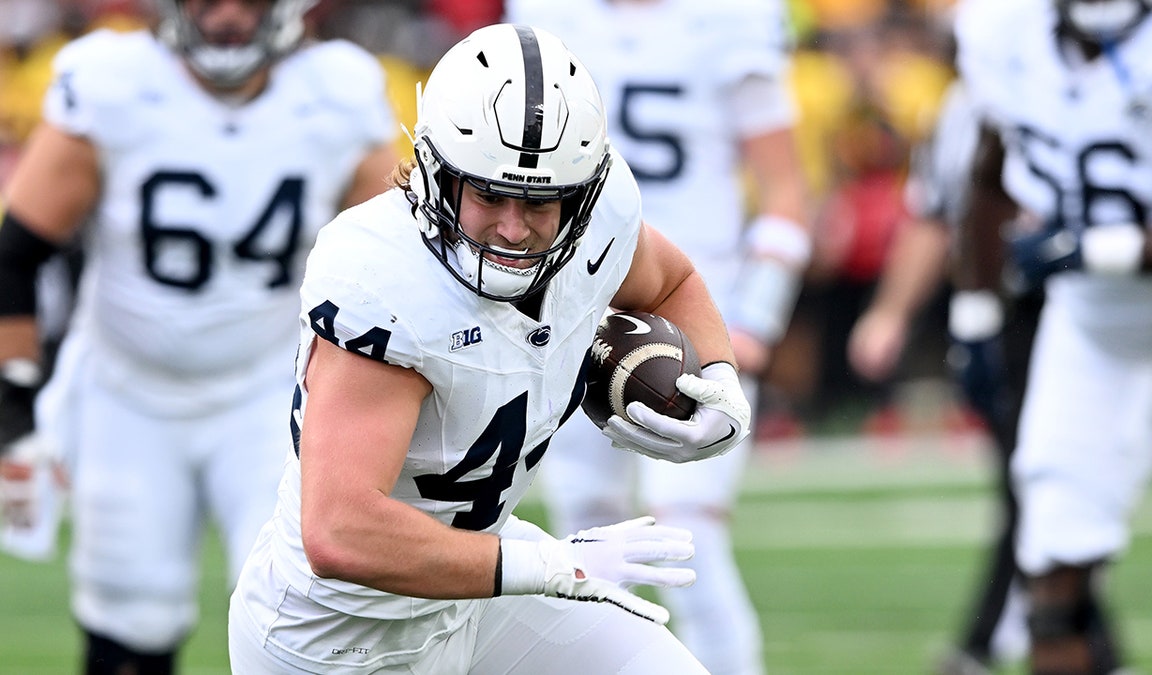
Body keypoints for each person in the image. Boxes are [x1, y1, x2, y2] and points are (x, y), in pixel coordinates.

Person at [227, 22, 755, 674]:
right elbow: (340, 528)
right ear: (438, 175)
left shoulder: (601, 216)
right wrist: (553, 564)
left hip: (476, 584)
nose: (513, 225)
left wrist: (719, 380)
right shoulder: (383, 279)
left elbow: (672, 280)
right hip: (336, 633)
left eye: (541, 201)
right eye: (488, 193)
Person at [0, 0, 397, 671]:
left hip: (272, 391)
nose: (228, 16)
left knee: (303, 610)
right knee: (132, 614)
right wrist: (14, 406)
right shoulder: (113, 81)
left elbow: (392, 261)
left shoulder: (338, 92)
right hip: (128, 392)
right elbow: (18, 252)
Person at [501, 2, 810, 673]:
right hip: (571, 305)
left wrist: (752, 322)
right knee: (587, 542)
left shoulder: (730, 19)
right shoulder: (547, 13)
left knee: (688, 534)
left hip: (691, 313)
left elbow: (786, 192)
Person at [953, 0, 1152, 671]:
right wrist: (975, 312)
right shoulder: (1006, 34)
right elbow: (990, 173)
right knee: (1053, 578)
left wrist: (1096, 249)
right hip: (1095, 335)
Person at [847, 80, 1039, 674]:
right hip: (997, 316)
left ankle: (990, 643)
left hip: (1090, 314)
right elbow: (932, 218)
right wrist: (889, 313)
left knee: (1048, 488)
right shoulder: (961, 106)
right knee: (1037, 487)